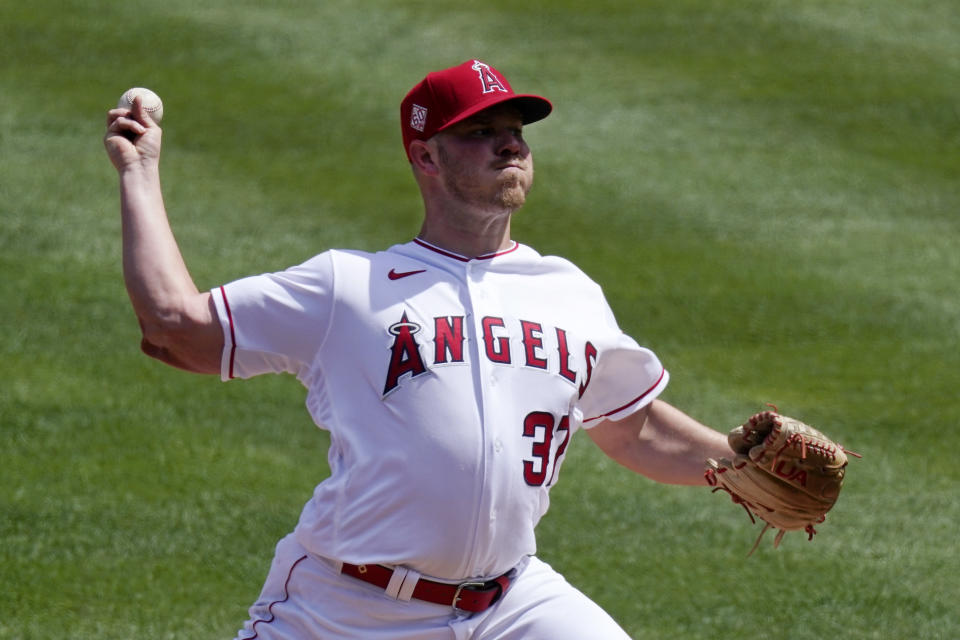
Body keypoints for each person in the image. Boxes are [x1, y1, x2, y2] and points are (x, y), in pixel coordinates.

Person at [104, 59, 733, 639]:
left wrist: (740, 460)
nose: (509, 143)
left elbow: (633, 430)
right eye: (480, 131)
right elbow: (173, 327)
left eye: (515, 129)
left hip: (511, 605)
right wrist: (139, 171)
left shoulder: (569, 292)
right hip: (347, 609)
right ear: (425, 156)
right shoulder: (347, 288)